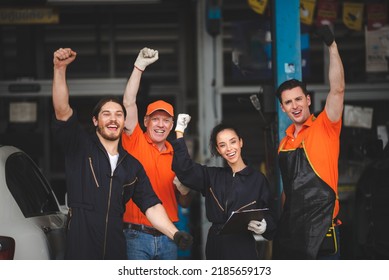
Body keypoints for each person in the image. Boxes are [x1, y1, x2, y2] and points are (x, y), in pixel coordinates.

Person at [51, 47, 192, 260]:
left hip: (115, 251)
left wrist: (175, 233)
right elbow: (62, 110)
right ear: (95, 121)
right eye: (106, 114)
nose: (113, 118)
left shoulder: (131, 166)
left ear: (123, 122)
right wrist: (59, 69)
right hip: (82, 249)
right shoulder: (80, 147)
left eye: (118, 115)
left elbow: (151, 205)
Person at [272, 25, 345, 260]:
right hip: (292, 233)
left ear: (308, 99)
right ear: (283, 108)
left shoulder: (326, 126)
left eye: (298, 99)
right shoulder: (284, 143)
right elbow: (289, 190)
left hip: (323, 232)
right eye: (288, 102)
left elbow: (338, 89)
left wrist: (332, 46)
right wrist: (278, 222)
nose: (295, 106)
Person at [171, 115, 277, 260]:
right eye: (222, 145)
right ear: (218, 150)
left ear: (240, 142)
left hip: (243, 247)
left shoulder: (258, 179)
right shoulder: (212, 176)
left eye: (232, 142)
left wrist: (265, 226)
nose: (229, 148)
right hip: (216, 245)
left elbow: (271, 215)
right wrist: (179, 131)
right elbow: (184, 169)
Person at [121, 47, 192, 260]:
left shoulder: (177, 154)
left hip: (169, 236)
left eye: (166, 120)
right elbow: (128, 102)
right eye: (155, 119)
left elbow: (185, 204)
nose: (160, 124)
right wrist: (139, 67)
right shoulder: (135, 141)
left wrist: (186, 191)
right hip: (135, 235)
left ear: (172, 125)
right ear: (145, 122)